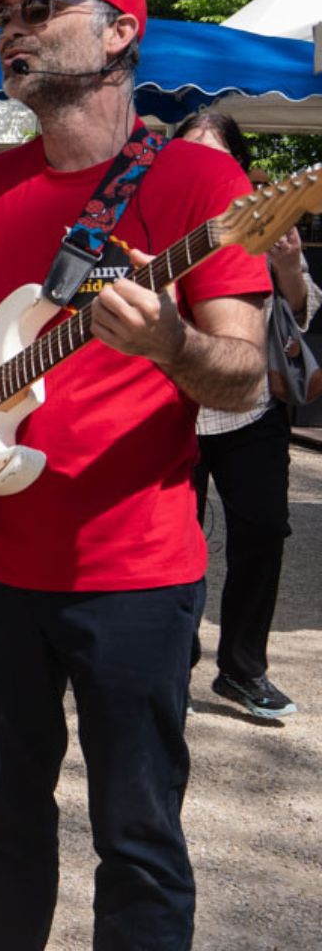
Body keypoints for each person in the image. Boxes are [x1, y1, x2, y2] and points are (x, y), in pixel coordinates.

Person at [0, 0, 268, 951]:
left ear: (121, 32)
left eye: (39, 10)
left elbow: (246, 372)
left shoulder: (201, 188)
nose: (13, 32)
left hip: (134, 575)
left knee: (137, 839)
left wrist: (169, 340)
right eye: (6, 18)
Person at [176, 110, 312, 720]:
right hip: (171, 409)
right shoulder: (154, 216)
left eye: (217, 155)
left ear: (235, 165)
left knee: (263, 533)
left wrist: (288, 267)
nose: (203, 166)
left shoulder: (262, 223)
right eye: (190, 153)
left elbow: (304, 312)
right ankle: (170, 657)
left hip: (249, 409)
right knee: (176, 541)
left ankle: (242, 668)